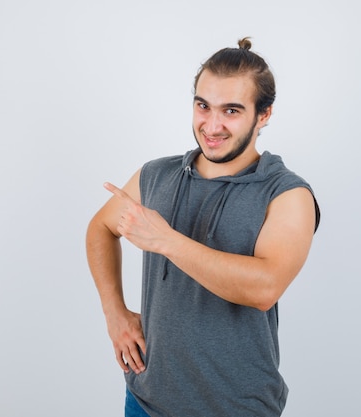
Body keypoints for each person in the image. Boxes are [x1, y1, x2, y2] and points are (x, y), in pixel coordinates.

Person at [86, 37, 320, 417]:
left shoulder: (287, 193)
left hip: (237, 408)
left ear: (264, 115)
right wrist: (115, 313)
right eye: (202, 106)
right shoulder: (156, 175)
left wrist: (166, 241)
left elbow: (265, 287)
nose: (212, 125)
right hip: (146, 401)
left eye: (231, 110)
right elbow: (100, 228)